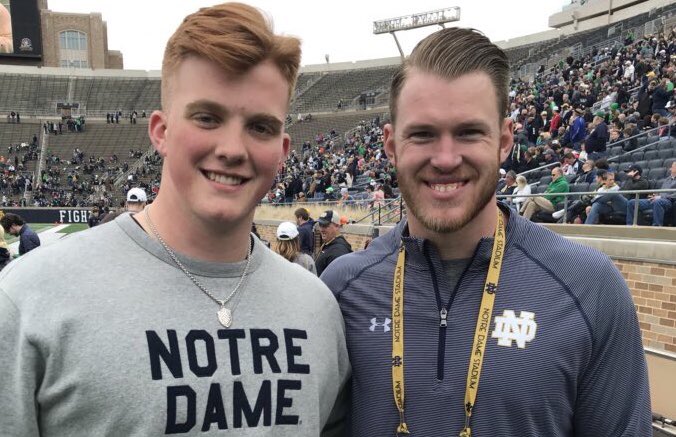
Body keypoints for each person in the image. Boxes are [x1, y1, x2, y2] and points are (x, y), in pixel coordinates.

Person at [0, 4, 349, 436]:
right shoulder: (30, 298)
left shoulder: (316, 307)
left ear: (282, 148)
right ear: (161, 131)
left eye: (260, 126)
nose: (232, 148)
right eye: (207, 117)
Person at [320, 27, 651, 436]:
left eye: (468, 132)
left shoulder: (590, 286)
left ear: (504, 141)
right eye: (423, 134)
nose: (445, 158)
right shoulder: (342, 286)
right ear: (390, 145)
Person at [626, 161, 676, 226]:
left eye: (673, 166)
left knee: (658, 202)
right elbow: (662, 191)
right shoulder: (667, 179)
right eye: (672, 166)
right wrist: (656, 195)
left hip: (669, 201)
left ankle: (656, 227)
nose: (671, 168)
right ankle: (630, 226)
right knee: (632, 202)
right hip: (658, 199)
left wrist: (660, 197)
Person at [315, 210, 352, 276]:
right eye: (320, 225)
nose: (321, 229)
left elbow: (337, 280)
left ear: (337, 226)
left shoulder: (338, 251)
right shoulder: (329, 243)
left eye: (325, 225)